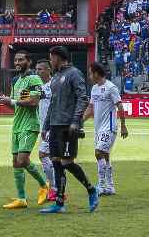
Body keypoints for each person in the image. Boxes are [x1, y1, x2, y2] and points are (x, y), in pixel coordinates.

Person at [39, 45, 99, 214]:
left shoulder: (74, 74)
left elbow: (82, 98)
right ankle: (59, 203)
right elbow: (52, 103)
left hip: (68, 126)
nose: (51, 61)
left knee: (67, 162)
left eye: (51, 58)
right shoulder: (56, 77)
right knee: (57, 163)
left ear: (59, 57)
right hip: (55, 126)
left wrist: (75, 121)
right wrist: (46, 125)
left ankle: (91, 189)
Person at [0, 51, 50, 209]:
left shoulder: (34, 78)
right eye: (15, 60)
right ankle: (21, 199)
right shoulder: (16, 80)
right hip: (17, 125)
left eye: (21, 60)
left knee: (22, 160)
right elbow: (19, 103)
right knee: (16, 162)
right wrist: (5, 101)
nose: (17, 62)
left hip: (30, 124)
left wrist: (11, 100)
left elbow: (33, 102)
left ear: (29, 61)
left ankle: (44, 185)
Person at [84, 62, 127, 195]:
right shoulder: (94, 88)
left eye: (91, 73)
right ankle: (110, 187)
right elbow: (90, 108)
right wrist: (80, 121)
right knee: (105, 156)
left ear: (97, 73)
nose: (90, 76)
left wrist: (124, 125)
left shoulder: (111, 87)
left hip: (109, 127)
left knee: (98, 153)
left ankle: (102, 185)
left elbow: (119, 106)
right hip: (98, 128)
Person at [34, 59, 57, 203]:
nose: (37, 72)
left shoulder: (54, 84)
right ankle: (54, 188)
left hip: (52, 125)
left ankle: (54, 188)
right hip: (43, 126)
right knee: (54, 158)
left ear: (49, 69)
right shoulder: (38, 86)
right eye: (36, 69)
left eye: (40, 69)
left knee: (43, 155)